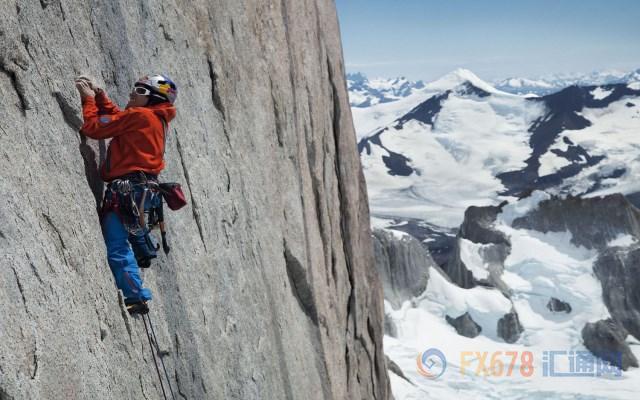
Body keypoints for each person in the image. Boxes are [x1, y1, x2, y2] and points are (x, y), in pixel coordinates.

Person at [76, 74, 178, 314]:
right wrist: (100, 96)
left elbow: (95, 128)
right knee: (127, 241)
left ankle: (135, 295)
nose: (133, 92)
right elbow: (120, 120)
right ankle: (135, 287)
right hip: (142, 193)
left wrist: (88, 101)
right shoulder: (155, 120)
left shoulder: (141, 116)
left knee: (117, 245)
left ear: (152, 99)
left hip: (126, 192)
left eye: (140, 91)